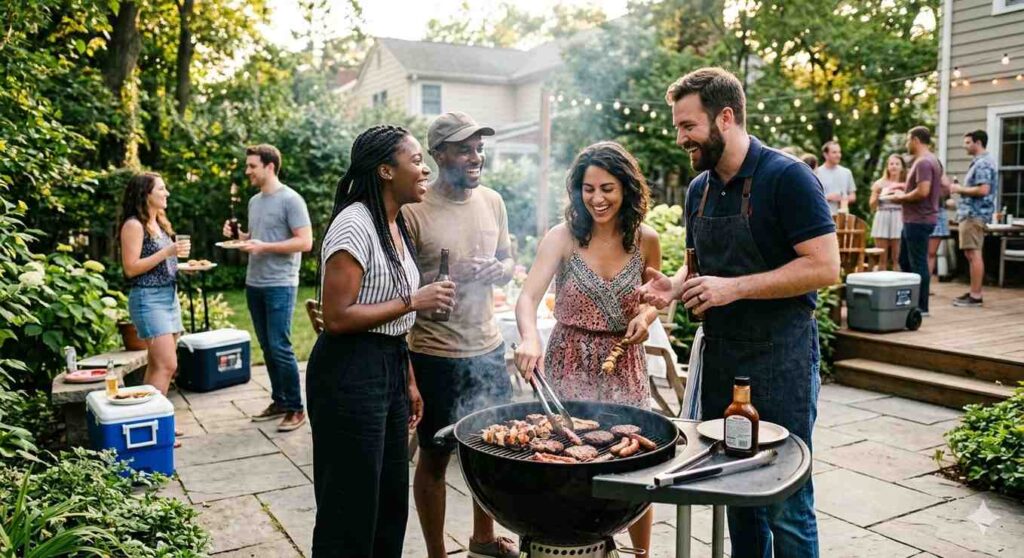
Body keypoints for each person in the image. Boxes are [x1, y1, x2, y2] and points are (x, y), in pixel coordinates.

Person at [640, 67, 840, 557]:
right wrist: (674, 285)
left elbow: (824, 266)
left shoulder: (788, 178)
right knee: (736, 492)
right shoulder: (699, 189)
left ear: (725, 117)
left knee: (786, 502)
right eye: (678, 127)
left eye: (688, 126)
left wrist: (734, 289)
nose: (681, 138)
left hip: (782, 359)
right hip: (724, 362)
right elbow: (697, 266)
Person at [307, 125, 453, 557]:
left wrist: (406, 379)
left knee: (390, 501)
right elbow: (335, 317)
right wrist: (414, 300)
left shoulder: (393, 224)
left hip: (387, 364)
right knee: (350, 506)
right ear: (386, 170)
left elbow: (390, 327)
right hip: (350, 370)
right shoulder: (355, 224)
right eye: (416, 161)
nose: (425, 168)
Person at [514, 141, 662, 553]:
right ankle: (565, 544)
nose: (597, 198)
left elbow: (655, 300)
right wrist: (530, 337)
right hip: (567, 359)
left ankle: (641, 553)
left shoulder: (645, 240)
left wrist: (645, 318)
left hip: (625, 364)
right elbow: (527, 298)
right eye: (588, 188)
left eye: (607, 188)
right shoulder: (561, 237)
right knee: (563, 464)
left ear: (627, 189)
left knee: (632, 465)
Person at [403, 112, 519, 558]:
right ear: (438, 155)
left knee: (487, 450)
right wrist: (441, 275)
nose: (476, 157)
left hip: (487, 347)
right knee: (433, 456)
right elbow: (398, 289)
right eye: (464, 148)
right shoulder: (413, 211)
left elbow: (509, 262)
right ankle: (436, 553)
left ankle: (483, 541)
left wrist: (497, 270)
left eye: (479, 148)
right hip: (433, 353)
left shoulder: (492, 201)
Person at [222, 144, 312, 432]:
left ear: (269, 166)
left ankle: (297, 409)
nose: (247, 171)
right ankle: (280, 400)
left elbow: (304, 242)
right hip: (255, 283)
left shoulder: (291, 200)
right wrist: (240, 236)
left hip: (280, 284)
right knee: (267, 346)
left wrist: (264, 246)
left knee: (279, 346)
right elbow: (256, 239)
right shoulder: (254, 202)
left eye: (252, 166)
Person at [120, 173, 189, 447]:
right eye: (161, 188)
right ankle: (156, 428)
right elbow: (131, 268)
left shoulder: (157, 222)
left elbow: (160, 263)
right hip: (148, 300)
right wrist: (168, 253)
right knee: (167, 364)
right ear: (146, 193)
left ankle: (153, 423)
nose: (167, 193)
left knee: (159, 366)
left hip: (167, 297)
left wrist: (181, 265)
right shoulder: (133, 225)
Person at [889, 126, 943, 315]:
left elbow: (923, 191)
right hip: (916, 219)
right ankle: (911, 301)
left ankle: (921, 307)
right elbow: (938, 187)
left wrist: (899, 198)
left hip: (918, 220)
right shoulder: (933, 160)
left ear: (916, 140)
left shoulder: (923, 163)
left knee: (918, 263)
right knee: (905, 260)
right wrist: (903, 187)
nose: (906, 143)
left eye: (907, 139)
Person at [951, 130, 998, 307]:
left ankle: (976, 296)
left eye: (968, 142)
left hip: (975, 214)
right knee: (970, 253)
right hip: (970, 214)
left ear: (978, 143)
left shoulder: (983, 163)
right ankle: (973, 292)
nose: (965, 146)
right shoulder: (979, 162)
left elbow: (983, 190)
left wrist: (959, 189)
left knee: (974, 253)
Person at [868, 154, 907, 270]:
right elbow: (872, 205)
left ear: (902, 167)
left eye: (897, 164)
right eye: (891, 164)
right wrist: (878, 194)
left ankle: (897, 281)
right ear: (887, 166)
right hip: (882, 216)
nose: (894, 166)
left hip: (899, 216)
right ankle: (880, 280)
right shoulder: (879, 183)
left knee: (897, 257)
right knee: (881, 257)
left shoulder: (907, 184)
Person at [816, 140, 857, 214]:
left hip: (842, 216)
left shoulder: (846, 172)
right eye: (834, 152)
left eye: (839, 152)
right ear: (825, 154)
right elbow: (812, 197)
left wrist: (843, 199)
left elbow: (853, 196)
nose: (838, 155)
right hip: (823, 215)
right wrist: (827, 197)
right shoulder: (817, 173)